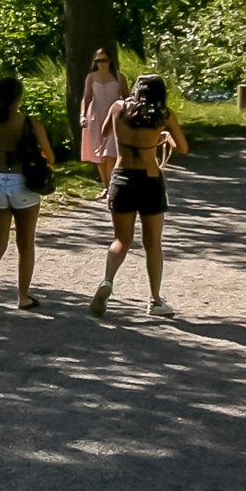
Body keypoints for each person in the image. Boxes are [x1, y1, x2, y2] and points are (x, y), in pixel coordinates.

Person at [92, 72, 190, 320]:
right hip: (150, 180)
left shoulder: (118, 108)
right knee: (153, 243)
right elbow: (183, 147)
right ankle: (155, 300)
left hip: (122, 177)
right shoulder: (164, 115)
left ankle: (107, 280)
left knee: (121, 240)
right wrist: (164, 136)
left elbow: (105, 132)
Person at [0, 76, 58, 316]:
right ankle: (23, 297)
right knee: (25, 244)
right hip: (23, 184)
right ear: (19, 97)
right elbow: (50, 157)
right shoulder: (30, 123)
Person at [77, 46, 128, 177]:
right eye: (98, 61)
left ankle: (111, 185)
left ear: (110, 60)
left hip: (114, 118)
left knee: (110, 153)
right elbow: (86, 98)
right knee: (98, 156)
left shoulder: (119, 77)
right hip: (95, 117)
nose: (101, 63)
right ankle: (106, 185)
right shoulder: (91, 77)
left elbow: (127, 98)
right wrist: (82, 116)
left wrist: (126, 116)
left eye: (104, 60)